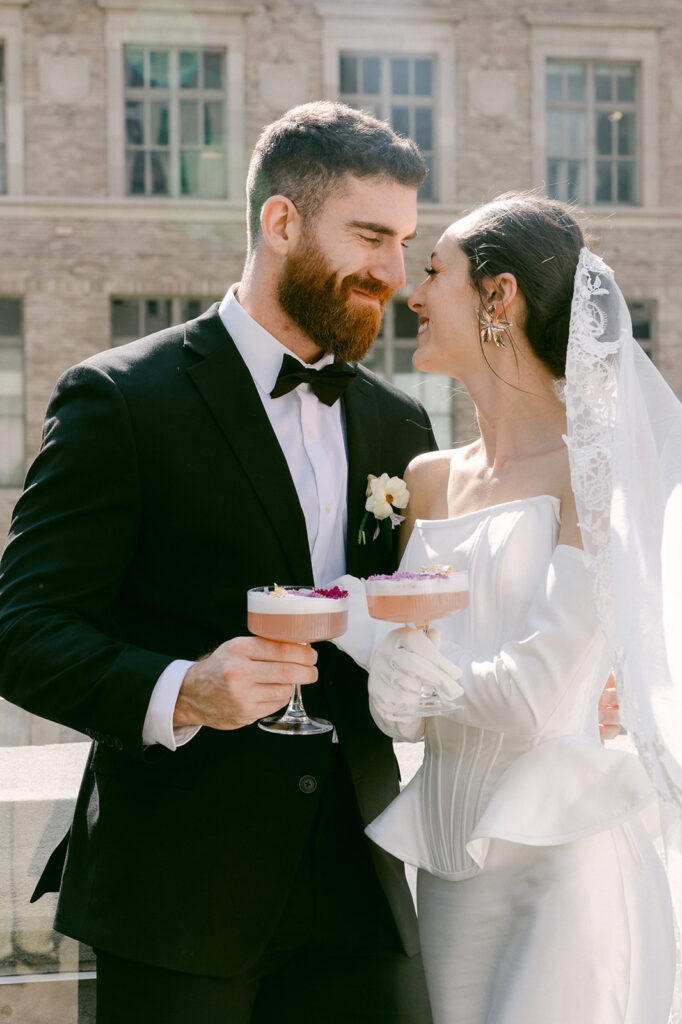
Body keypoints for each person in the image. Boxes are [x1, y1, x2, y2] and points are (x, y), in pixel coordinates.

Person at [0, 102, 437, 1023]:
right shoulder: (119, 398)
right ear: (281, 223)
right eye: (370, 237)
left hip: (362, 883)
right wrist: (183, 690)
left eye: (404, 242)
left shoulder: (401, 425)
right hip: (176, 897)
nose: (394, 273)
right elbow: (22, 630)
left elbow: (411, 617)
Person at [333, 193, 681, 1023]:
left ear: (500, 297)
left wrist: (358, 632)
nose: (412, 296)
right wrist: (393, 688)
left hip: (563, 870)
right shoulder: (426, 480)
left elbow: (534, 698)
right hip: (445, 878)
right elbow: (410, 716)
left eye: (433, 272)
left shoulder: (594, 471)